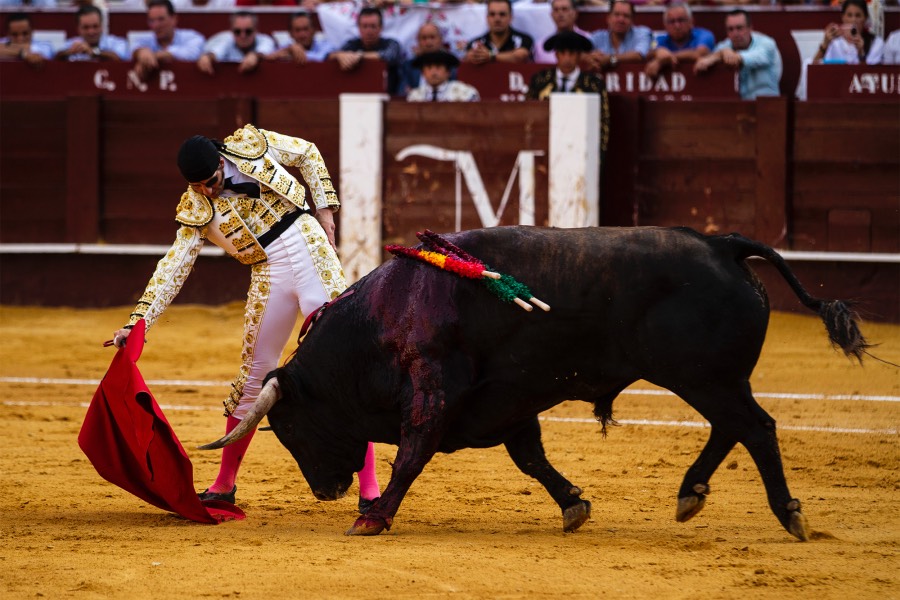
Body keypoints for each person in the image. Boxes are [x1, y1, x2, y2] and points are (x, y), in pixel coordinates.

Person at [109, 125, 381, 509]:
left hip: (308, 245)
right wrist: (139, 322)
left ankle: (370, 490)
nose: (207, 191)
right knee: (254, 375)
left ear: (221, 162)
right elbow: (174, 266)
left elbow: (306, 152)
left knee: (344, 361)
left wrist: (325, 209)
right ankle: (223, 485)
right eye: (198, 186)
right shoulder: (196, 206)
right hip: (267, 268)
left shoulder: (252, 144)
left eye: (211, 181)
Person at [694, 9, 782, 100]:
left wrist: (721, 54)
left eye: (739, 28)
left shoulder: (767, 44)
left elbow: (746, 58)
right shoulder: (724, 46)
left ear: (750, 28)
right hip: (736, 107)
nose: (735, 34)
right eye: (730, 29)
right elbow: (705, 61)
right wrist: (721, 54)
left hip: (766, 106)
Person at [328, 7, 405, 95]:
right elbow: (329, 56)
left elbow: (388, 56)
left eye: (373, 26)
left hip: (388, 97)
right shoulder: (352, 44)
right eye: (365, 26)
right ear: (359, 28)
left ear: (381, 28)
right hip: (355, 95)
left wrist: (359, 56)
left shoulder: (392, 43)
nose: (369, 31)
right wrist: (339, 55)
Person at [130, 0, 205, 79]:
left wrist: (156, 56)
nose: (156, 25)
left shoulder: (192, 37)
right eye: (151, 21)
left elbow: (192, 53)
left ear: (174, 19)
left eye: (161, 19)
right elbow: (133, 47)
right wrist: (141, 52)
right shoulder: (144, 39)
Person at [644, 3, 714, 78]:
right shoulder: (660, 39)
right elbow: (648, 54)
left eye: (681, 20)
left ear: (691, 22)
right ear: (665, 25)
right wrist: (656, 52)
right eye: (672, 21)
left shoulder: (704, 35)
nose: (677, 26)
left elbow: (700, 53)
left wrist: (663, 60)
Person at [197, 11, 276, 75]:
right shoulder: (226, 40)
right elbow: (216, 51)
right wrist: (207, 57)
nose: (243, 36)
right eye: (237, 31)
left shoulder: (265, 40)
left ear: (256, 31)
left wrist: (255, 56)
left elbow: (265, 50)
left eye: (248, 31)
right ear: (231, 31)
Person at [585, 0, 652, 72]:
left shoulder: (642, 33)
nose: (621, 20)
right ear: (608, 18)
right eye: (616, 15)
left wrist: (611, 59)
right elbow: (581, 53)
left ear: (632, 20)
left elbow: (640, 55)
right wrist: (590, 58)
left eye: (626, 16)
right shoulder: (597, 37)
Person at [812, 0, 884, 65]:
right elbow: (814, 70)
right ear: (843, 17)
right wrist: (825, 45)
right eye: (849, 15)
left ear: (865, 18)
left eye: (858, 15)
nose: (853, 20)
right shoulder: (835, 42)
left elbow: (870, 76)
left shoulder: (876, 43)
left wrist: (861, 54)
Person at [462, 0, 534, 65]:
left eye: (502, 14)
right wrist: (472, 56)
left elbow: (520, 56)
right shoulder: (476, 43)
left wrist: (490, 56)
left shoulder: (524, 39)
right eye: (492, 14)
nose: (497, 19)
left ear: (511, 17)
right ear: (487, 18)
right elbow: (467, 57)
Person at [56, 5, 129, 62]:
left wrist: (93, 52)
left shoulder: (116, 43)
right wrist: (70, 52)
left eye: (95, 26)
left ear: (101, 26)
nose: (91, 32)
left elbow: (118, 58)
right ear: (78, 28)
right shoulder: (71, 43)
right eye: (86, 27)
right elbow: (55, 56)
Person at [406, 50, 480, 102]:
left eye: (438, 67)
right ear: (423, 73)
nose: (433, 72)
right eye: (429, 68)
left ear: (448, 72)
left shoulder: (464, 92)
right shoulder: (415, 96)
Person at [399, 22, 450, 97]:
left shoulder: (451, 64)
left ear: (441, 40)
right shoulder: (409, 66)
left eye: (432, 37)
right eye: (424, 38)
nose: (428, 42)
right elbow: (402, 92)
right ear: (418, 41)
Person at [533, 0, 591, 65]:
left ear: (575, 13)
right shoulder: (541, 45)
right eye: (556, 10)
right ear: (552, 15)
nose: (560, 14)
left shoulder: (588, 39)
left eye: (565, 9)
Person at [266, 11, 335, 64]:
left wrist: (293, 54)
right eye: (297, 30)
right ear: (290, 34)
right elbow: (269, 57)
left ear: (314, 31)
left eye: (306, 29)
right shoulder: (286, 47)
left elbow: (322, 58)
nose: (302, 34)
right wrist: (288, 50)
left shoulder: (326, 45)